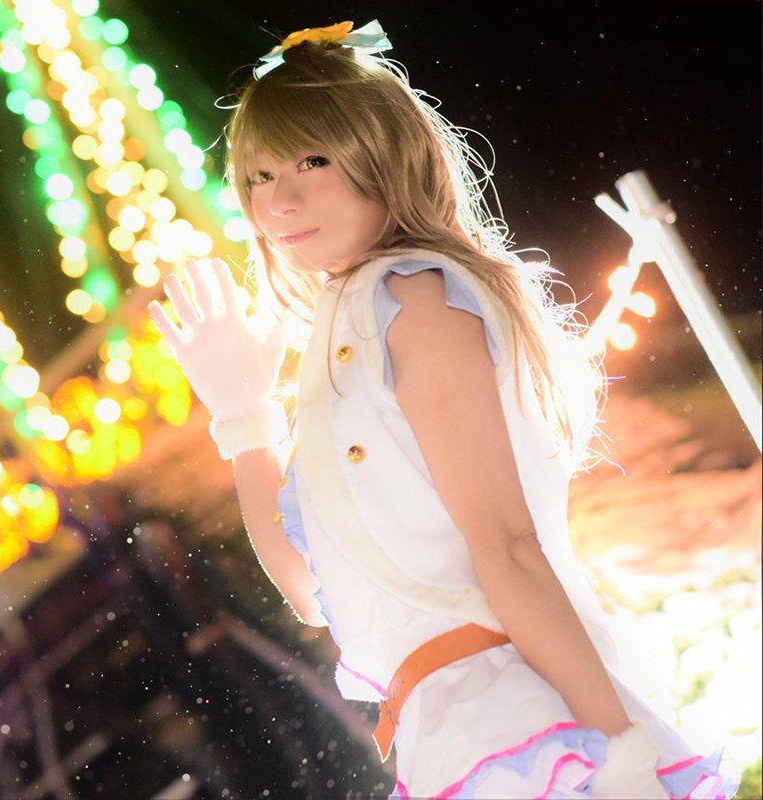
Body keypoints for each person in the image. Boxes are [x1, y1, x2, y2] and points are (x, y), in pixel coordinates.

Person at [147, 20, 738, 800]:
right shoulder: (352, 321)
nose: (279, 201)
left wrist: (623, 757)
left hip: (519, 717)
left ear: (385, 157)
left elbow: (510, 547)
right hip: (456, 729)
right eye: (258, 176)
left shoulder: (413, 300)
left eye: (312, 161)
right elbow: (310, 593)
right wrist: (243, 418)